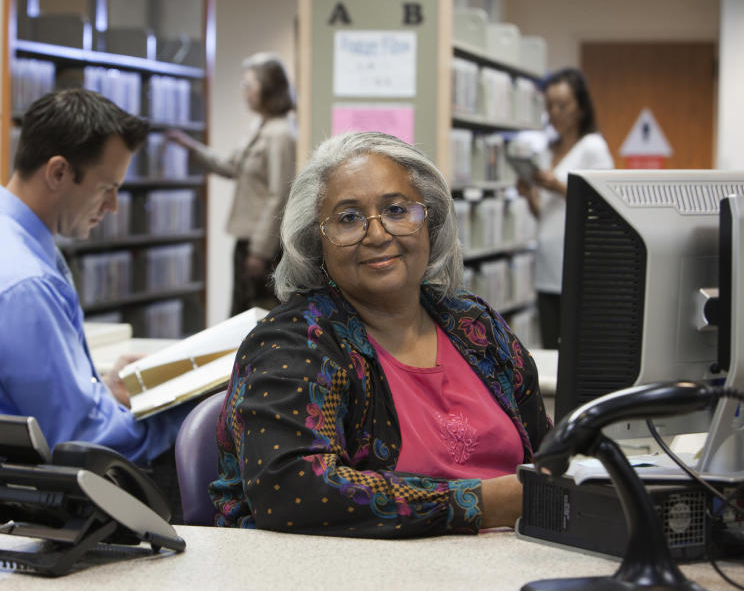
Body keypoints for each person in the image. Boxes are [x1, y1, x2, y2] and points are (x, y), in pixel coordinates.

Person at [209, 131, 552, 538]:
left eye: (396, 209)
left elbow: (547, 453)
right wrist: (484, 503)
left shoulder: (475, 325)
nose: (377, 234)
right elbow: (292, 488)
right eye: (349, 218)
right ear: (316, 240)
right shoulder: (294, 342)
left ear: (430, 220)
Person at [0, 89, 190, 471]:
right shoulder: (21, 284)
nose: (112, 207)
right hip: (60, 481)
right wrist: (186, 417)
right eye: (106, 188)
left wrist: (100, 389)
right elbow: (83, 442)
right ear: (58, 172)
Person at [165, 52, 297, 315]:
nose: (244, 92)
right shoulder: (260, 126)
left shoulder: (281, 134)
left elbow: (279, 195)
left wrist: (260, 251)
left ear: (269, 88)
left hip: (262, 244)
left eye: (250, 85)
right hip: (247, 239)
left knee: (255, 311)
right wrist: (191, 148)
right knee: (239, 310)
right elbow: (231, 167)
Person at [517, 67, 614, 349]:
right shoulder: (547, 150)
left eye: (563, 105)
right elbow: (545, 214)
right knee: (550, 344)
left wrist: (556, 185)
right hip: (547, 266)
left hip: (579, 267)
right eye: (550, 106)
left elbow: (604, 202)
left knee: (577, 348)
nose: (555, 113)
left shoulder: (593, 147)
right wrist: (529, 195)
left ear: (581, 108)